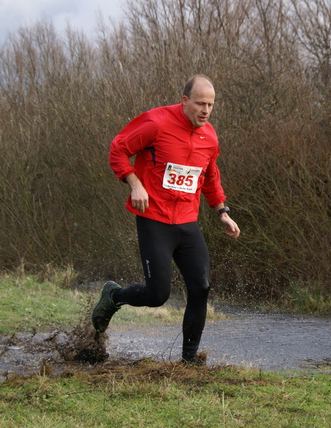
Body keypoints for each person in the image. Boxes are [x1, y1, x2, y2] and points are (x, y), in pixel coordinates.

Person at [92, 74, 240, 364]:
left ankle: (189, 360)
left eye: (210, 105)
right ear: (185, 101)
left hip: (186, 221)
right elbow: (118, 148)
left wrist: (221, 211)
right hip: (154, 219)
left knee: (201, 287)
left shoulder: (209, 136)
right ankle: (113, 297)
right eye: (200, 103)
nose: (205, 110)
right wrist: (135, 183)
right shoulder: (157, 123)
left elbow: (210, 175)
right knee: (158, 293)